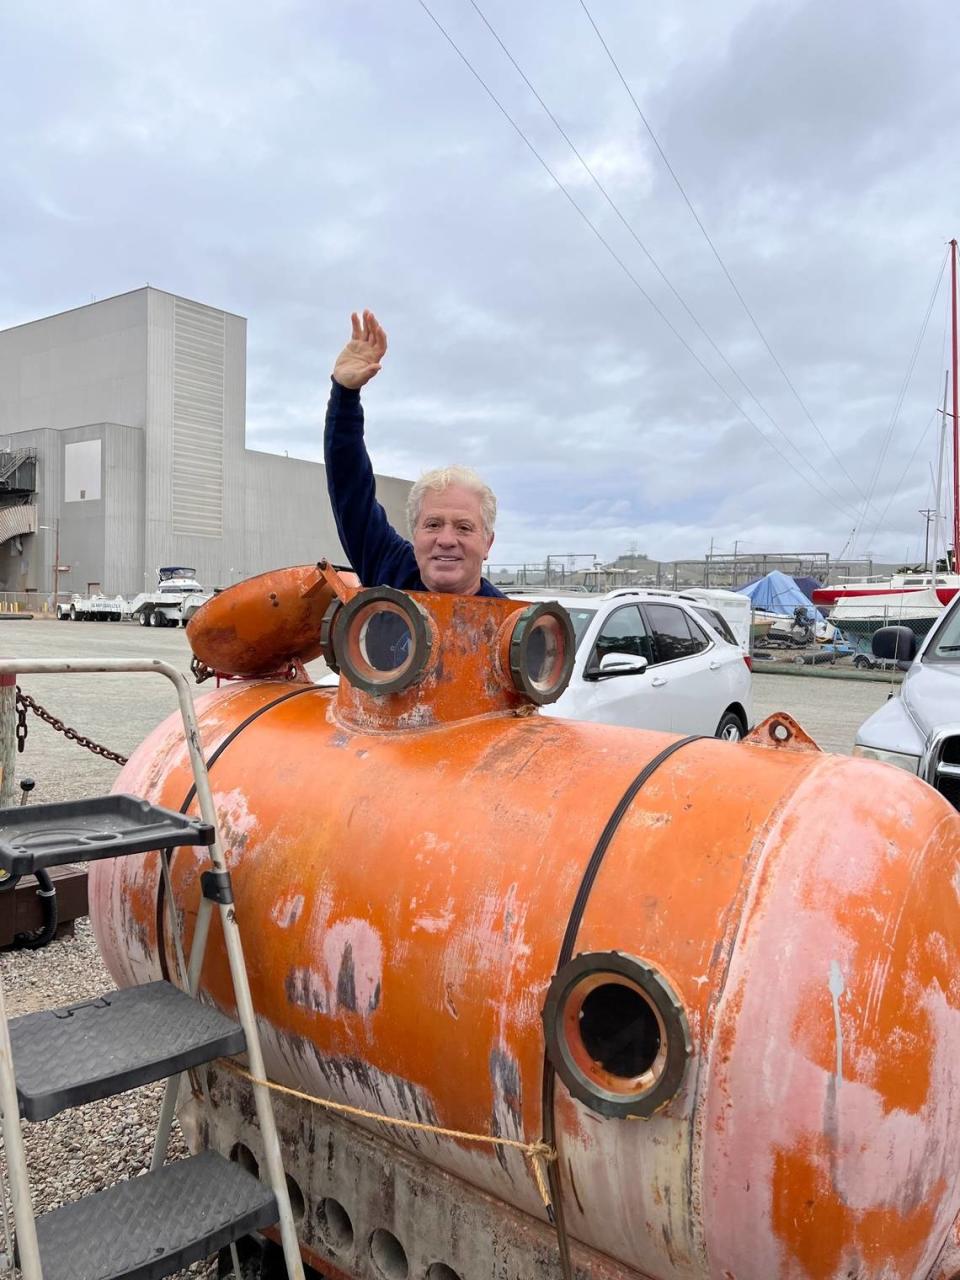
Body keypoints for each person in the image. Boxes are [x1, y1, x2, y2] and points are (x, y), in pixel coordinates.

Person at [324, 310, 505, 599]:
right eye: (433, 524)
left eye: (464, 527)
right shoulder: (390, 570)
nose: (446, 540)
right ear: (415, 535)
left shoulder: (512, 629)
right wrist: (345, 395)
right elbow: (350, 488)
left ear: (488, 544)